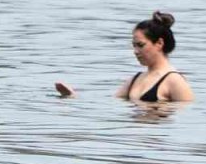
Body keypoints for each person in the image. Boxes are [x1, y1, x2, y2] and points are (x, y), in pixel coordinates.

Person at [55, 11, 194, 102]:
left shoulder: (174, 80)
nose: (135, 51)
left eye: (140, 45)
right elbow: (109, 103)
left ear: (159, 43)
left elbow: (185, 119)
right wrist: (72, 96)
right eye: (133, 45)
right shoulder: (135, 79)